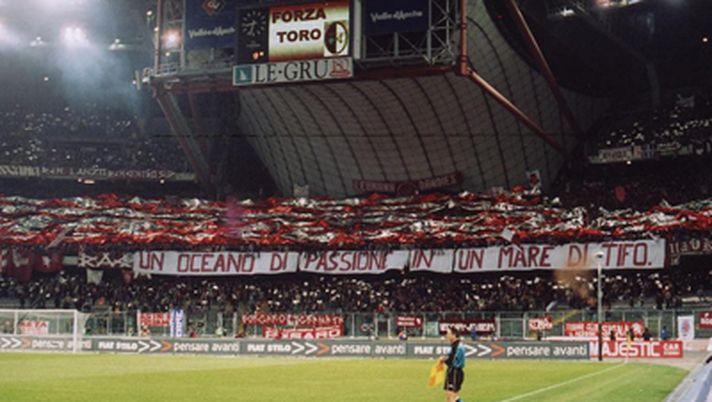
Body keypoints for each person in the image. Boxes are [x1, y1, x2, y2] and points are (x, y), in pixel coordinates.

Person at [440, 327, 466, 402]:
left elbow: (451, 361)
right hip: (454, 372)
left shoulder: (457, 346)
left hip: (454, 372)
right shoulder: (456, 345)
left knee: (451, 397)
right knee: (451, 397)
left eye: (448, 333)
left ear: (454, 335)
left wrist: (443, 360)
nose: (446, 335)